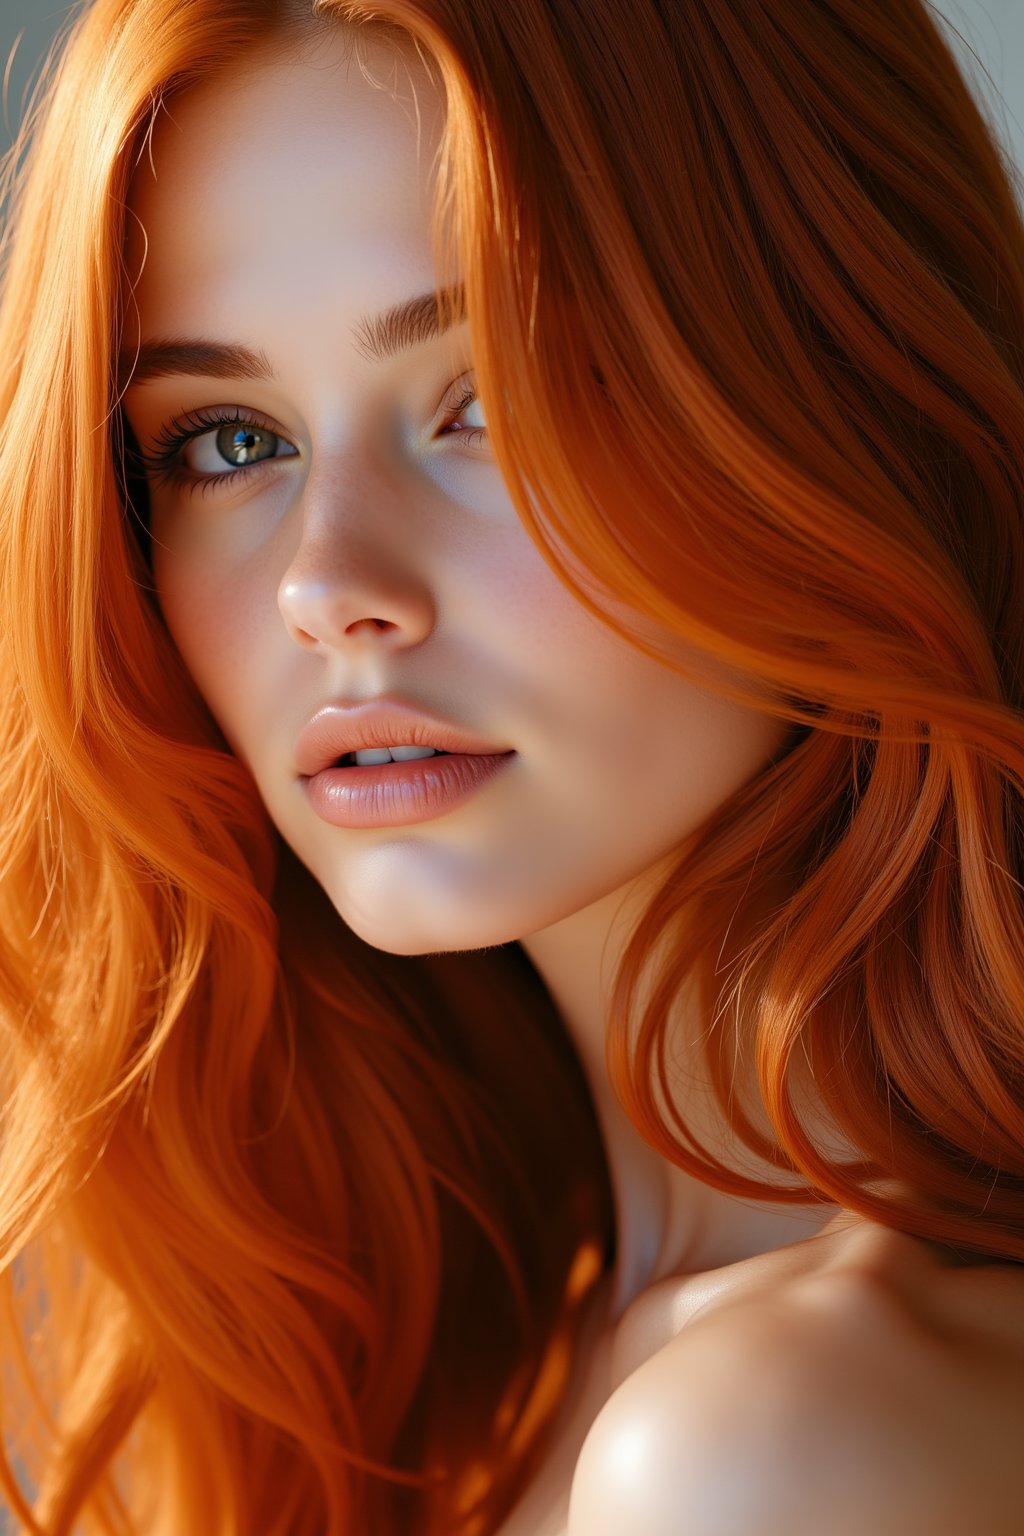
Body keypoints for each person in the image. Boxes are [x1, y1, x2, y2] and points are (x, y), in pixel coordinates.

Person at [1, 0, 1023, 1530]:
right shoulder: (506, 1381)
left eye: (488, 402)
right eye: (226, 439)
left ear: (836, 404)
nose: (325, 582)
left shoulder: (771, 1455)